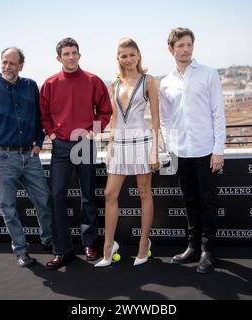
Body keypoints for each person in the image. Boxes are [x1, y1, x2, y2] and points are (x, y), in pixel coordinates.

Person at [0, 47, 54, 268]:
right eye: (4, 62)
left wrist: (39, 143)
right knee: (9, 208)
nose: (7, 66)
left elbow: (40, 118)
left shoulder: (31, 86)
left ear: (21, 65)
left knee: (44, 201)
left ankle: (48, 240)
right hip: (2, 158)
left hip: (29, 157)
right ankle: (21, 251)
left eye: (12, 63)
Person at [40, 38, 112, 270]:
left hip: (84, 143)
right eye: (66, 53)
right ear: (58, 58)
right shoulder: (50, 84)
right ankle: (62, 249)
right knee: (57, 196)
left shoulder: (93, 80)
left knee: (88, 195)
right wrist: (51, 134)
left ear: (79, 55)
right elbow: (44, 115)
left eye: (74, 53)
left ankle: (90, 243)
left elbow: (105, 111)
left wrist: (93, 133)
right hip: (60, 145)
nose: (71, 57)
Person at [159, 28, 226, 274]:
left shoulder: (209, 74)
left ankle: (208, 251)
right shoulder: (165, 82)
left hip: (206, 150)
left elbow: (218, 113)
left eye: (189, 44)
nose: (185, 49)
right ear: (171, 49)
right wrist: (170, 147)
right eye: (180, 45)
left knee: (207, 202)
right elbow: (165, 120)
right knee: (189, 202)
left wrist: (218, 150)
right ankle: (192, 247)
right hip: (180, 153)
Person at [94, 38, 160, 268]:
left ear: (139, 56)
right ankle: (108, 247)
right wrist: (110, 146)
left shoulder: (149, 81)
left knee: (144, 193)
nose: (129, 59)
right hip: (119, 144)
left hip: (142, 142)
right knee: (110, 195)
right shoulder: (114, 83)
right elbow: (114, 119)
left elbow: (156, 121)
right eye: (124, 56)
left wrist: (154, 152)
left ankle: (144, 245)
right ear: (118, 59)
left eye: (132, 54)